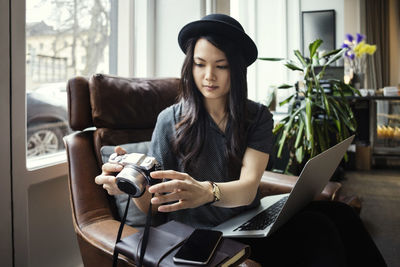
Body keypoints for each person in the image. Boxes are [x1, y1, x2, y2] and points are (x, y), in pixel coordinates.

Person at [95, 14, 386, 266]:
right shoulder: (169, 120)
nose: (209, 76)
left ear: (236, 69)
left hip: (247, 221)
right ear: (190, 66)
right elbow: (154, 207)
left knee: (339, 214)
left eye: (220, 66)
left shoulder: (256, 116)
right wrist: (133, 189)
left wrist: (208, 191)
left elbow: (248, 189)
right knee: (319, 230)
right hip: (204, 237)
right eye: (199, 64)